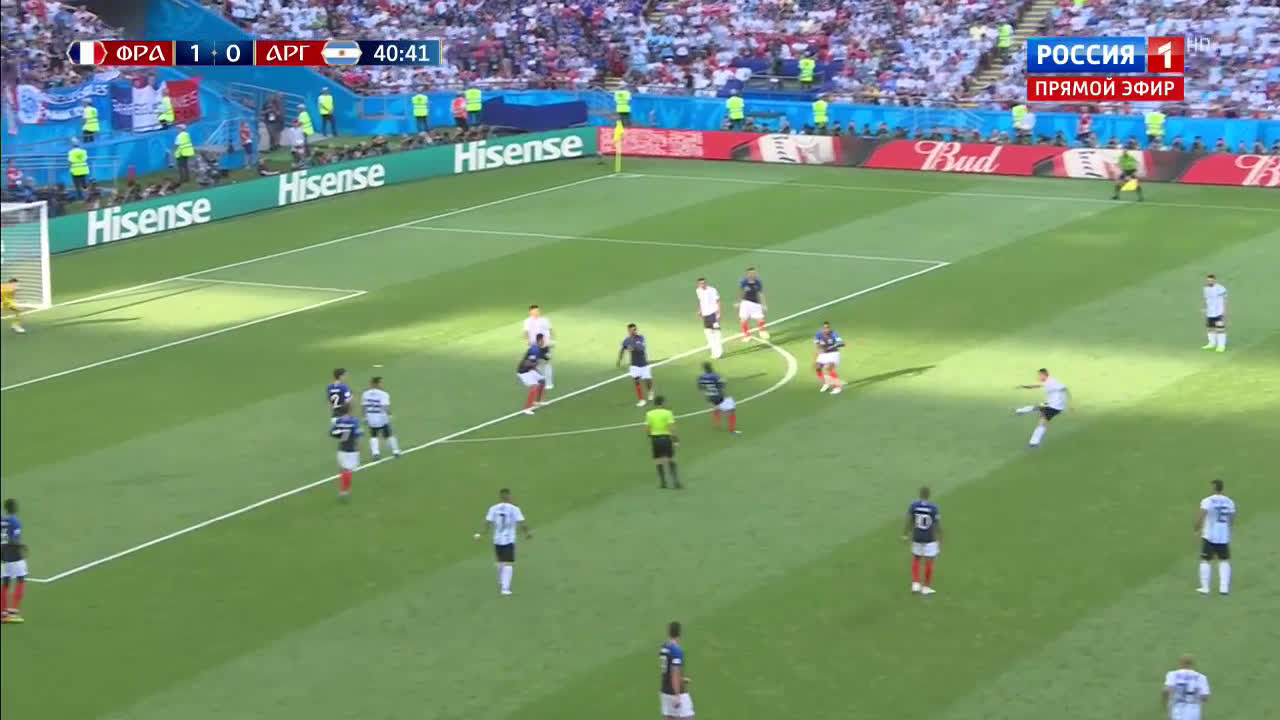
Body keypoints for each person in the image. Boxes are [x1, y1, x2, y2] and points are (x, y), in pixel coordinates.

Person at [476, 488, 531, 596]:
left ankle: (502, 580)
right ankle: (505, 589)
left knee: (501, 562)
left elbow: (487, 522)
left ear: (500, 496)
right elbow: (521, 523)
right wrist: (527, 533)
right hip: (509, 540)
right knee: (509, 563)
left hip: (497, 540)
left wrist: (481, 534)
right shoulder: (514, 509)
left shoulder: (493, 508)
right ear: (509, 496)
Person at [1194, 479, 1235, 595]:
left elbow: (1202, 515)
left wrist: (1196, 528)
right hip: (1223, 536)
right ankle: (1224, 588)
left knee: (1206, 561)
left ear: (1213, 487)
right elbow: (1231, 519)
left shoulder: (1207, 501)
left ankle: (1205, 588)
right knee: (1224, 560)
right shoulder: (1229, 501)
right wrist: (1228, 530)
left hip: (1210, 536)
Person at [1013, 368, 1068, 448]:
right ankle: (1020, 411)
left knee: (1042, 422)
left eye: (1039, 375)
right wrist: (1024, 386)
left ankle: (1034, 443)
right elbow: (1037, 386)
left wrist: (1065, 402)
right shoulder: (1048, 381)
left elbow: (1064, 389)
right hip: (1051, 405)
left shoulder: (1051, 382)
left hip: (1054, 407)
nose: (1038, 377)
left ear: (1044, 375)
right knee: (1038, 407)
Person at [904, 486, 942, 595]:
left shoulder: (914, 506)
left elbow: (909, 521)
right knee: (929, 561)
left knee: (916, 558)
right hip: (929, 538)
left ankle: (915, 583)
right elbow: (937, 525)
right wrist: (940, 538)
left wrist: (905, 534)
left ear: (920, 494)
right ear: (929, 495)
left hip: (917, 536)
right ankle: (926, 587)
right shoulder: (933, 508)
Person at [660, 621, 694, 719]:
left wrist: (681, 679)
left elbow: (668, 671)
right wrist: (677, 695)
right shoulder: (676, 651)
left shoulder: (664, 648)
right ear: (679, 633)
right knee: (689, 717)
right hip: (675, 692)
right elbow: (674, 673)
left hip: (665, 691)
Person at [1, 498, 27, 623]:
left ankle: (3, 612)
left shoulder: (1, 520)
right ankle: (13, 612)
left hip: (2, 556)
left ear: (6, 508)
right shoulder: (16, 522)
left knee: (5, 582)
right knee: (21, 579)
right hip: (13, 555)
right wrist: (21, 546)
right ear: (15, 508)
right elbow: (14, 540)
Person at [361, 376, 401, 460]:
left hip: (371, 417)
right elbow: (385, 406)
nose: (382, 384)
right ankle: (396, 451)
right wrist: (389, 414)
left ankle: (375, 453)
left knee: (373, 435)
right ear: (376, 384)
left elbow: (364, 406)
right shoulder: (383, 394)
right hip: (381, 417)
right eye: (380, 383)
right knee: (389, 434)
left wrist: (364, 417)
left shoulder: (365, 394)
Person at [645, 395, 680, 489]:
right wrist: (675, 439)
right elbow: (671, 427)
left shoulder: (649, 414)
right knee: (671, 459)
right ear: (663, 403)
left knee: (658, 460)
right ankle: (675, 482)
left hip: (655, 439)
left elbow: (647, 428)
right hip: (666, 438)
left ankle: (663, 482)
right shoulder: (668, 413)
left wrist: (651, 436)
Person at [1163, 655, 1210, 720]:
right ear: (1192, 664)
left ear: (1181, 663)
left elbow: (1167, 691)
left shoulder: (1172, 674)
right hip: (1194, 712)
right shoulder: (1201, 677)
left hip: (1177, 711)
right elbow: (1205, 697)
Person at [617, 323, 654, 407]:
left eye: (635, 329)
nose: (634, 331)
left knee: (647, 381)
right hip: (634, 365)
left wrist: (633, 348)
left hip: (644, 364)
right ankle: (641, 399)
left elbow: (642, 348)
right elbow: (622, 349)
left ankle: (650, 391)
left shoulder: (641, 338)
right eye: (632, 330)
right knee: (636, 381)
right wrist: (619, 359)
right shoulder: (626, 340)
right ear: (629, 331)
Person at [697, 362, 738, 435]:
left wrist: (707, 388)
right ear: (711, 368)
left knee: (716, 408)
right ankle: (732, 430)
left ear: (704, 369)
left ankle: (716, 424)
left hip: (710, 397)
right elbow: (722, 384)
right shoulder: (716, 376)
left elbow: (700, 387)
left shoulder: (701, 377)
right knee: (731, 411)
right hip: (719, 396)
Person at [330, 404, 361, 499]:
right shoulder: (354, 421)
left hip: (341, 448)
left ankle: (342, 490)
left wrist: (342, 435)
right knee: (348, 470)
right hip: (351, 448)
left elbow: (332, 433)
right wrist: (358, 445)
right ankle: (345, 491)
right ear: (349, 410)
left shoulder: (338, 421)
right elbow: (357, 434)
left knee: (342, 469)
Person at [522, 305, 554, 389]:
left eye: (537, 311)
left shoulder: (544, 320)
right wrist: (528, 341)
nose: (536, 312)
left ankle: (549, 383)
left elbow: (550, 330)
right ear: (530, 312)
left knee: (546, 363)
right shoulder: (527, 321)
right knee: (535, 364)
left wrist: (551, 341)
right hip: (534, 345)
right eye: (534, 311)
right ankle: (539, 381)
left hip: (545, 345)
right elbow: (526, 332)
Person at [517, 336, 547, 415]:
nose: (544, 342)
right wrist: (534, 365)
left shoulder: (537, 349)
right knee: (534, 387)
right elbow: (527, 363)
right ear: (539, 341)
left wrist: (537, 370)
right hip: (524, 372)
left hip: (529, 370)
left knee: (542, 381)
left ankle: (537, 401)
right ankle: (526, 409)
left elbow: (533, 363)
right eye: (543, 340)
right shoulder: (534, 350)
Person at [694, 278, 723, 359]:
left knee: (716, 332)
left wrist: (719, 313)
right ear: (698, 284)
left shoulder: (712, 290)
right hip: (705, 315)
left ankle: (719, 352)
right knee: (708, 332)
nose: (703, 285)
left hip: (713, 314)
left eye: (704, 283)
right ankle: (713, 350)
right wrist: (699, 310)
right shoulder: (698, 291)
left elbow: (718, 301)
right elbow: (701, 301)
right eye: (701, 283)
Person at [737, 267, 768, 341]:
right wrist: (739, 302)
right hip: (745, 303)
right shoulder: (744, 282)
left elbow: (761, 294)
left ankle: (762, 331)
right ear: (748, 274)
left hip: (756, 303)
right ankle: (746, 335)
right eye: (751, 273)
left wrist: (764, 304)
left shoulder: (758, 282)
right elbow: (741, 292)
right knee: (743, 320)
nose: (753, 274)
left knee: (760, 319)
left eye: (754, 273)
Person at [814, 321, 845, 394]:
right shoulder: (818, 334)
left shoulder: (834, 334)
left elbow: (841, 343)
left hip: (833, 353)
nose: (826, 329)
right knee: (818, 368)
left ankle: (837, 387)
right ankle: (826, 384)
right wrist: (820, 350)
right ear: (822, 328)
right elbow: (817, 344)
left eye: (827, 327)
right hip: (824, 353)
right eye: (825, 328)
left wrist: (834, 346)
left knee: (829, 368)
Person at [1201, 274, 1227, 352]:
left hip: (1218, 311)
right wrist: (1205, 308)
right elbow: (1206, 299)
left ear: (1215, 280)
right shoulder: (1205, 288)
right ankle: (1212, 343)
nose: (1210, 282)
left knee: (1220, 328)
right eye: (1208, 280)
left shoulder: (1221, 288)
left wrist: (1224, 311)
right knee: (1210, 328)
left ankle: (1221, 345)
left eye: (1211, 280)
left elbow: (1225, 300)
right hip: (1210, 312)